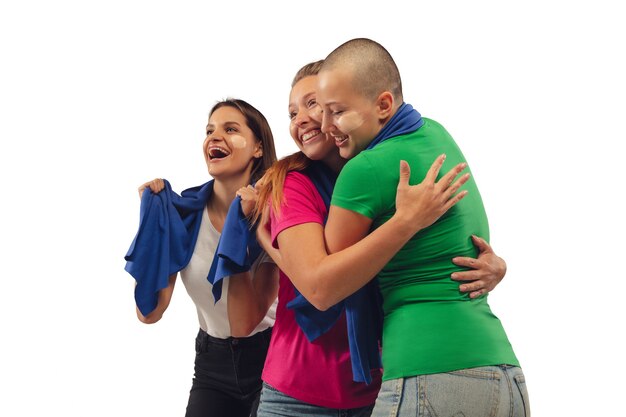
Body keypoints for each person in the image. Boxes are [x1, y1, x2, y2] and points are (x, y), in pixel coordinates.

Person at [245, 61, 509, 417]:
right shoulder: (294, 184)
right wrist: (267, 242)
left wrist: (495, 265)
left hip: (377, 385)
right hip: (300, 391)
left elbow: (437, 248)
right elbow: (318, 285)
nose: (305, 120)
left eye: (315, 104)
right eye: (292, 112)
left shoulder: (378, 168)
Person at [314, 38, 529, 417]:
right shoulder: (435, 132)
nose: (325, 124)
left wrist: (269, 237)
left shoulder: (364, 170)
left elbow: (327, 282)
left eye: (337, 111)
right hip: (504, 374)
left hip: (429, 374)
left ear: (383, 105)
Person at [124, 99, 279, 417]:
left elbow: (243, 324)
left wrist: (241, 222)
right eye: (210, 130)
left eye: (230, 129)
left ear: (258, 148)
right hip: (213, 362)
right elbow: (149, 313)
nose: (214, 137)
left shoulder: (273, 214)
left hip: (273, 358)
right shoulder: (186, 216)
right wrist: (152, 222)